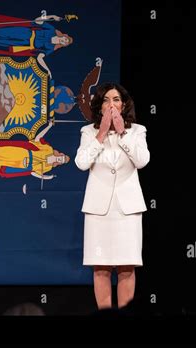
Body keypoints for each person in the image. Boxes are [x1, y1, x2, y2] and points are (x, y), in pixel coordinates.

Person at [75, 83, 150, 309]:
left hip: (127, 210)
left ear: (123, 104)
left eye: (116, 99)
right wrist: (101, 134)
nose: (111, 105)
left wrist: (121, 133)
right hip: (99, 210)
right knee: (101, 268)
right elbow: (81, 163)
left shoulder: (137, 131)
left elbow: (142, 160)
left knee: (127, 268)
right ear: (99, 107)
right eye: (106, 100)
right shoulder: (88, 132)